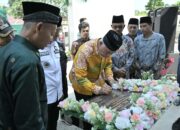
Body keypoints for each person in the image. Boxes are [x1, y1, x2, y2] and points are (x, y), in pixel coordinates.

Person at [0, 1, 60, 130]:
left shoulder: (6, 50)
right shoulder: (27, 60)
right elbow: (29, 122)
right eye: (51, 33)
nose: (51, 40)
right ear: (38, 27)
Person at [69, 30, 122, 101]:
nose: (107, 55)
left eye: (110, 53)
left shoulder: (107, 51)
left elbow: (108, 65)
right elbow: (80, 78)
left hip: (97, 80)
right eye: (107, 52)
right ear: (101, 43)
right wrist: (98, 89)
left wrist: (110, 79)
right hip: (81, 86)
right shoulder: (85, 51)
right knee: (86, 109)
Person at [39, 15, 66, 130]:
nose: (56, 34)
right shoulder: (38, 47)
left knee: (53, 123)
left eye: (58, 30)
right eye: (54, 30)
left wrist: (64, 93)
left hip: (58, 95)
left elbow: (62, 72)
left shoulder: (58, 46)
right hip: (45, 98)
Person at [111, 15, 135, 79]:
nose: (117, 29)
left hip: (125, 72)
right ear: (111, 26)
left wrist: (124, 68)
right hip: (111, 73)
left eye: (120, 27)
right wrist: (116, 69)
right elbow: (105, 58)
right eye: (115, 27)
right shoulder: (107, 41)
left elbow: (132, 56)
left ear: (124, 26)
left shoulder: (128, 40)